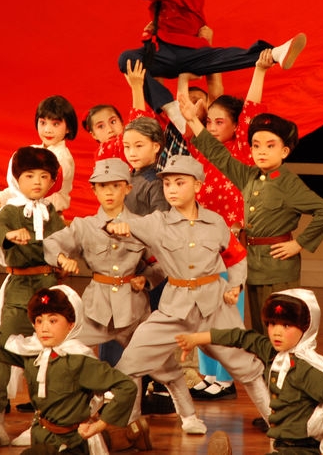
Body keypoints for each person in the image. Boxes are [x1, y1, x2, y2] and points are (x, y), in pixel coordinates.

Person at [106, 155, 272, 436]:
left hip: (215, 307)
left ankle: (278, 425)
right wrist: (116, 226)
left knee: (248, 367)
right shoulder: (156, 222)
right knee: (131, 361)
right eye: (167, 183)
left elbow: (236, 256)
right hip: (175, 308)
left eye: (179, 183)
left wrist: (235, 285)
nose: (171, 189)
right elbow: (121, 224)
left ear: (197, 186)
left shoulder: (215, 222)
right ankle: (130, 426)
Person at [99, 0, 305, 129]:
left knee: (227, 57)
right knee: (127, 59)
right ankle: (171, 109)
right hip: (163, 53)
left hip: (191, 53)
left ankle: (277, 52)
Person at [0, 285, 143, 454]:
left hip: (72, 443)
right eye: (39, 321)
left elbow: (125, 386)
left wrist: (100, 425)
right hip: (42, 435)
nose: (44, 328)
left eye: (53, 321)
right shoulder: (32, 352)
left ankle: (128, 434)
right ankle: (133, 434)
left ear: (71, 325)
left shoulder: (80, 360)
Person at [181, 98, 323, 336]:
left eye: (270, 146)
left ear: (284, 151)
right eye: (256, 145)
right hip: (253, 264)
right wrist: (193, 120)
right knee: (259, 328)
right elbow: (219, 156)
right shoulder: (249, 176)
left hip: (278, 268)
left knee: (280, 328)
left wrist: (299, 243)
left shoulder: (288, 183)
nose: (261, 151)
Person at [176, 289, 323, 455]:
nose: (277, 331)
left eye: (286, 325)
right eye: (272, 324)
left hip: (304, 448)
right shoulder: (272, 353)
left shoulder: (307, 370)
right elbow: (242, 337)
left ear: (306, 329)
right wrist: (196, 338)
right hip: (283, 444)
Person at [187, 50, 274, 401]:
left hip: (230, 243)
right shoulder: (201, 149)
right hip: (200, 241)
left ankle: (226, 378)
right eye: (208, 121)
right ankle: (209, 375)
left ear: (237, 127)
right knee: (202, 309)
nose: (211, 127)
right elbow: (191, 117)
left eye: (219, 122)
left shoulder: (241, 150)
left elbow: (251, 107)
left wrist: (259, 70)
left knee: (226, 310)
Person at [0, 146, 66, 445]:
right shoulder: (12, 209)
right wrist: (10, 235)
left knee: (48, 352)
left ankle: (44, 419)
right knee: (2, 348)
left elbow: (63, 240)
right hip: (19, 287)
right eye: (29, 176)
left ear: (52, 180)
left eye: (44, 176)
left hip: (48, 286)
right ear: (17, 179)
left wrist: (65, 257)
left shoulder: (51, 212)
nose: (37, 182)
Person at [43, 158, 163, 355]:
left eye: (116, 186)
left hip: (134, 311)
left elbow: (161, 262)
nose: (109, 192)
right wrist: (63, 260)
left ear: (128, 188)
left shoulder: (141, 225)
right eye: (102, 186)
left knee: (150, 361)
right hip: (96, 311)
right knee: (65, 349)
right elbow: (51, 243)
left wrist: (146, 278)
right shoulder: (84, 226)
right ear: (94, 190)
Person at [0, 95, 78, 215]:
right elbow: (25, 186)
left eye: (55, 124)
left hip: (48, 217)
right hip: (29, 213)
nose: (47, 130)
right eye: (43, 123)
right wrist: (0, 197)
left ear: (68, 128)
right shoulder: (35, 151)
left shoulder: (62, 158)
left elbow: (35, 191)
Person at [122, 116, 169, 215]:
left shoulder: (156, 183)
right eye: (127, 146)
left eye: (139, 146)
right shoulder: (126, 177)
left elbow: (161, 220)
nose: (132, 153)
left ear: (155, 147)